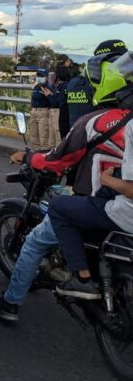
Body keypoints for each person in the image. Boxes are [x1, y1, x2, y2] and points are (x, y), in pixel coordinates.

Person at [0, 50, 131, 319]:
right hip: (115, 206)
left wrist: (28, 156)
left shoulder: (96, 121)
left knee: (35, 242)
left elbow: (57, 161)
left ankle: (10, 304)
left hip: (101, 203)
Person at [48, 51, 133, 299]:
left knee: (59, 207)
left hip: (127, 213)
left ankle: (81, 278)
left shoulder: (105, 122)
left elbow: (130, 190)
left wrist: (107, 179)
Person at [27, 68, 58, 149]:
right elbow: (32, 99)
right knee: (34, 136)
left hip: (44, 112)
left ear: (46, 77)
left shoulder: (48, 87)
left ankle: (43, 155)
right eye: (38, 75)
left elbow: (52, 101)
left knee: (44, 137)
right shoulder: (36, 86)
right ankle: (36, 154)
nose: (39, 77)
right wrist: (31, 110)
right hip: (34, 112)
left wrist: (48, 95)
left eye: (41, 76)